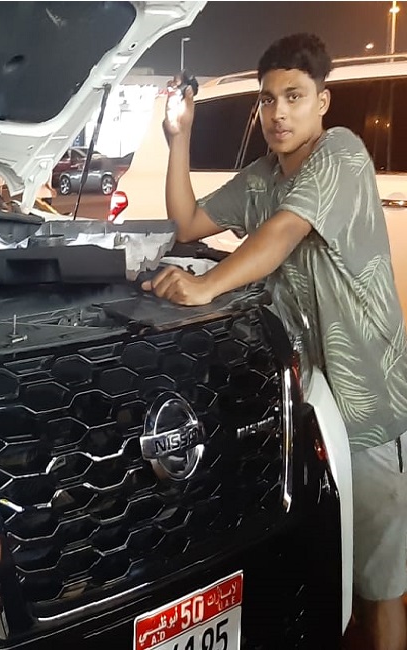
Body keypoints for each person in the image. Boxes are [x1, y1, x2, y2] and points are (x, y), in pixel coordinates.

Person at [146, 32, 407, 650]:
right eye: (267, 100)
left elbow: (285, 231)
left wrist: (207, 285)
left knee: (380, 585)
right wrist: (179, 137)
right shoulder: (262, 176)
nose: (278, 113)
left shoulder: (342, 153)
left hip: (368, 404)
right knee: (326, 569)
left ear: (323, 101)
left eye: (294, 96)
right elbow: (188, 221)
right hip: (307, 403)